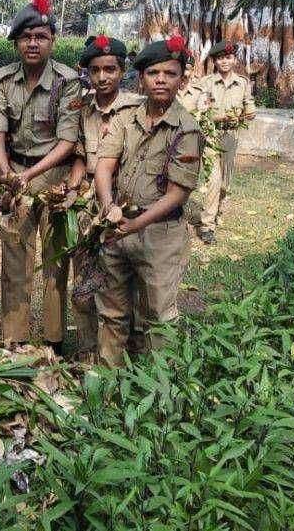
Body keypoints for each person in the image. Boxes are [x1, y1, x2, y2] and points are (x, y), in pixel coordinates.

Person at [93, 35, 205, 367]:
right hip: (118, 226)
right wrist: (109, 206)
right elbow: (104, 165)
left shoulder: (186, 130)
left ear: (181, 79)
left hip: (160, 235)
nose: (161, 80)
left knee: (157, 315)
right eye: (153, 73)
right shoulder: (126, 118)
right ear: (141, 78)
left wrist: (135, 224)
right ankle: (108, 378)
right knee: (112, 310)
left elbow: (177, 193)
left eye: (170, 74)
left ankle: (156, 385)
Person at [0, 0, 80, 353]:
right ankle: (16, 340)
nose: (33, 43)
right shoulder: (2, 79)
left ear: (53, 40)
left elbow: (67, 141)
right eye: (26, 37)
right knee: (14, 261)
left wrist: (29, 175)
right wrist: (7, 171)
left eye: (41, 36)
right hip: (13, 174)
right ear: (15, 43)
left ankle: (54, 341)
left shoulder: (67, 81)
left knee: (55, 262)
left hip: (53, 177)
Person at [66, 34, 144, 360]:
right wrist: (72, 190)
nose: (102, 77)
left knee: (122, 280)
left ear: (122, 70)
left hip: (122, 203)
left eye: (110, 69)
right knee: (84, 277)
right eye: (95, 70)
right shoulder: (84, 109)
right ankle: (87, 349)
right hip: (89, 203)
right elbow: (80, 155)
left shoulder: (136, 108)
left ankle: (129, 351)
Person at [182, 40, 255, 244]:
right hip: (211, 137)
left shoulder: (243, 83)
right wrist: (214, 116)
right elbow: (199, 109)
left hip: (231, 137)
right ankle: (207, 226)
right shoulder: (206, 83)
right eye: (220, 58)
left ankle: (216, 212)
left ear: (234, 60)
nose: (224, 62)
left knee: (225, 183)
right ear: (214, 61)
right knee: (213, 180)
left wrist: (248, 113)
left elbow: (249, 106)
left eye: (228, 57)